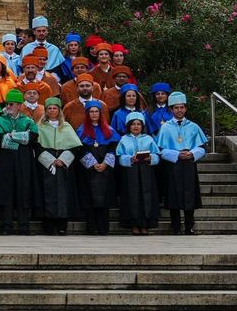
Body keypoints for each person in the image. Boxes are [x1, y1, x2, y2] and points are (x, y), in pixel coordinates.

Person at [156, 91, 206, 235]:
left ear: (185, 108)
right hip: (174, 164)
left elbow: (202, 147)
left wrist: (192, 153)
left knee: (190, 193)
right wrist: (177, 154)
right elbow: (160, 149)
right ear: (171, 109)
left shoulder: (193, 126)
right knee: (174, 194)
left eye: (182, 107)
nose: (179, 110)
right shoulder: (165, 128)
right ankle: (175, 226)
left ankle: (190, 226)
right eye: (176, 108)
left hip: (189, 163)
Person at [0, 89, 37, 236]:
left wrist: (11, 135)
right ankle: (6, 226)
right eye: (7, 104)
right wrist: (20, 138)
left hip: (24, 161)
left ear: (19, 105)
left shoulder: (28, 120)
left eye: (11, 104)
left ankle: (24, 226)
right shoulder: (0, 121)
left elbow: (32, 137)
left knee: (24, 191)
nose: (9, 106)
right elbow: (0, 140)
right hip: (5, 161)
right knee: (6, 191)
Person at [36, 98, 82, 235]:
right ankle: (49, 225)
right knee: (47, 192)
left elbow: (74, 147)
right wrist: (50, 160)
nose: (52, 110)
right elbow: (37, 146)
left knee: (64, 193)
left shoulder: (66, 127)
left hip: (63, 165)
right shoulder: (40, 127)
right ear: (45, 111)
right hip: (46, 165)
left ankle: (62, 225)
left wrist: (62, 160)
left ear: (59, 110)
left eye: (54, 108)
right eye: (49, 108)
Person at [76, 102, 119, 236]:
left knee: (104, 199)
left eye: (96, 111)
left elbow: (113, 147)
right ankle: (92, 228)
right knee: (90, 199)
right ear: (87, 114)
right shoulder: (81, 130)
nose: (94, 114)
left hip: (105, 170)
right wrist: (93, 163)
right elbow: (80, 149)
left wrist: (105, 163)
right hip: (89, 170)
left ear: (100, 114)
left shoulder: (109, 130)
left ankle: (103, 228)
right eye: (91, 111)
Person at [117, 113, 161, 235]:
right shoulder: (124, 140)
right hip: (130, 172)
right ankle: (134, 225)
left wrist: (151, 158)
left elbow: (157, 155)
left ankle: (145, 225)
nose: (136, 126)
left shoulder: (149, 139)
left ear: (142, 126)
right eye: (133, 124)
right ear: (128, 126)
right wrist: (129, 159)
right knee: (131, 197)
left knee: (146, 197)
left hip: (146, 172)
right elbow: (119, 156)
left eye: (138, 124)